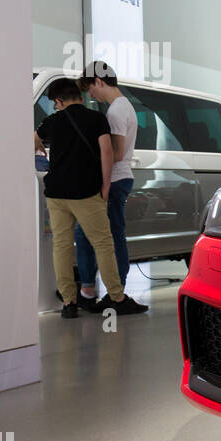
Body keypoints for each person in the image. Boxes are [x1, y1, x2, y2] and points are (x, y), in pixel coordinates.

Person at [34, 78, 148, 318]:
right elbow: (107, 153)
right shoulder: (96, 120)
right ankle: (117, 297)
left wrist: (40, 147)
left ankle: (69, 303)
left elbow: (33, 139)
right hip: (85, 193)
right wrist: (105, 186)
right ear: (79, 96)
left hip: (55, 194)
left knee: (62, 246)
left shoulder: (52, 121)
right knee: (103, 243)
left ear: (58, 101)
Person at [74, 61, 145, 311]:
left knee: (101, 235)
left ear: (99, 81)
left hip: (113, 180)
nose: (91, 95)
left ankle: (112, 293)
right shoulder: (124, 106)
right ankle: (108, 291)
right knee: (107, 235)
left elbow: (115, 153)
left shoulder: (116, 111)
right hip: (118, 179)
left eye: (91, 89)